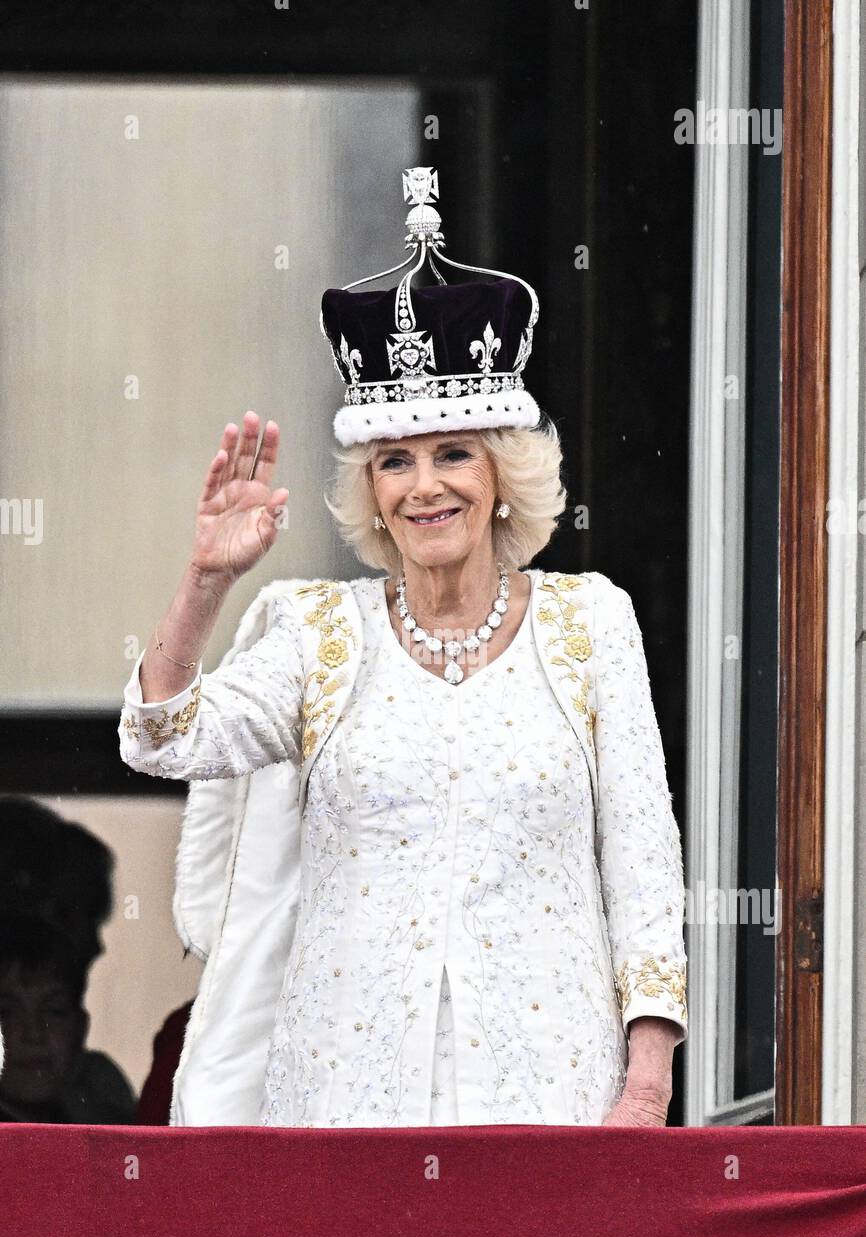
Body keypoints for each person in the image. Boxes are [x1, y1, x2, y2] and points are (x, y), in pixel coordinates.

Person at [118, 166, 687, 1129]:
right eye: (395, 461)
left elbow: (642, 861)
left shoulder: (591, 625)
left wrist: (645, 1084)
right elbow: (162, 739)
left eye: (453, 453)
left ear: (503, 473)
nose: (426, 487)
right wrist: (208, 581)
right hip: (345, 1102)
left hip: (550, 1095)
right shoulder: (318, 636)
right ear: (372, 490)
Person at [0, 914, 137, 1124]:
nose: (34, 1033)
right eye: (5, 1012)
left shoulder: (101, 1098)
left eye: (54, 1010)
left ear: (81, 1028)